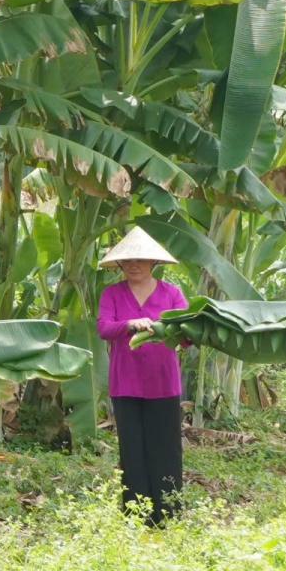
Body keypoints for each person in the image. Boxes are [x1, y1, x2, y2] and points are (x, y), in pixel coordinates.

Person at [96, 225, 188, 525]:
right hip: (126, 384)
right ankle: (136, 515)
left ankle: (169, 513)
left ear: (153, 263)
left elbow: (187, 333)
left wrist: (173, 329)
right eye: (128, 261)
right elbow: (103, 328)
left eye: (141, 260)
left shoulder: (172, 294)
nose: (134, 265)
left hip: (164, 382)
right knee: (132, 450)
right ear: (120, 264)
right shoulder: (112, 293)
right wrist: (130, 324)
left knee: (166, 449)